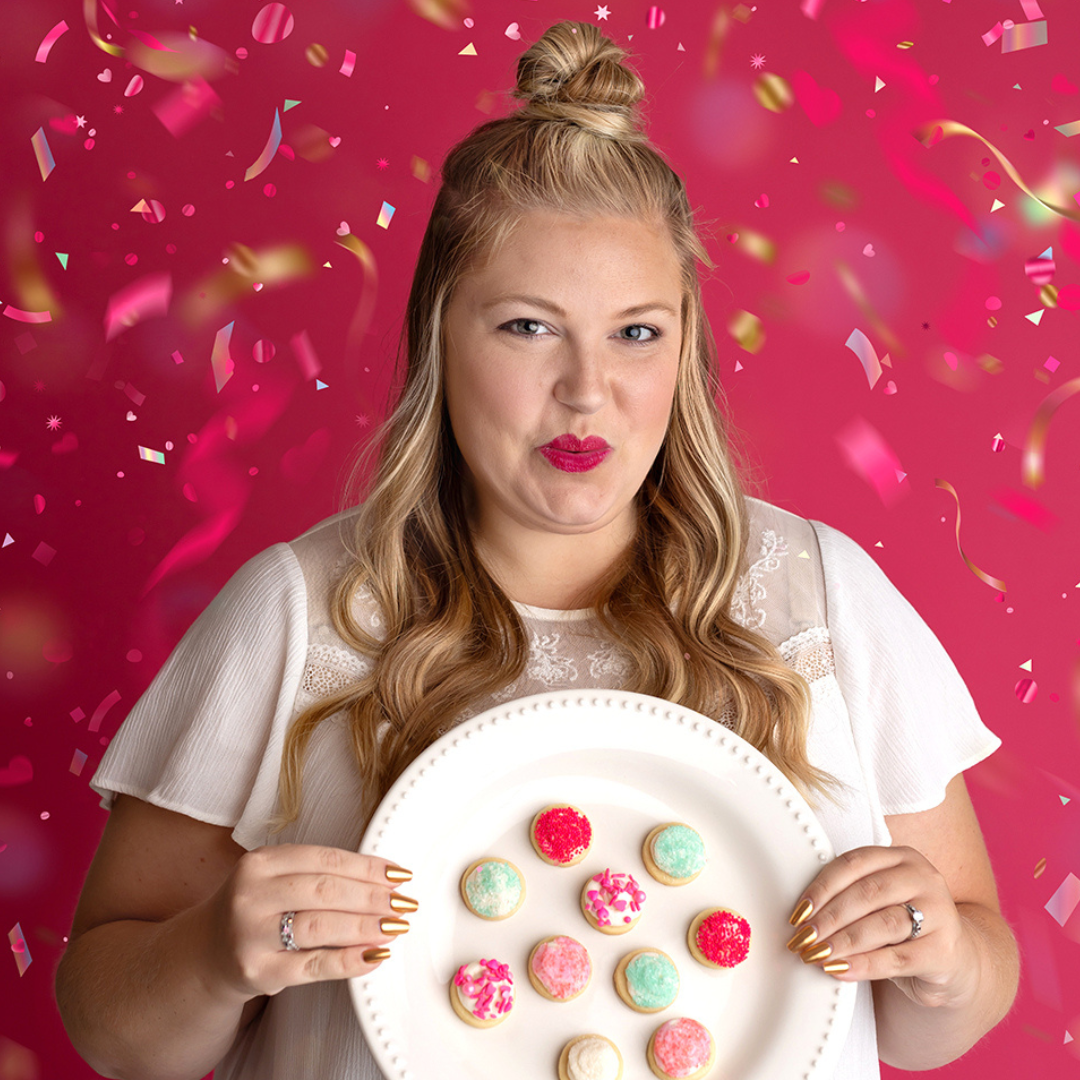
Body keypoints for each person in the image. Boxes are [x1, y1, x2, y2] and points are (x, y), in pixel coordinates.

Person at [55, 20, 1018, 1080]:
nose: (586, 390)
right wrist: (210, 954)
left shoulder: (821, 595)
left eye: (636, 332)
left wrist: (945, 959)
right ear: (440, 335)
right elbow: (113, 1030)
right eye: (527, 326)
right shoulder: (297, 611)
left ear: (685, 346)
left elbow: (938, 1019)